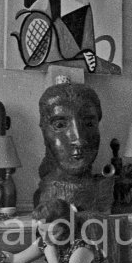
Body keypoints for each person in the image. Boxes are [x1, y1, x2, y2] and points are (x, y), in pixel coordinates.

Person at [33, 80, 114, 212]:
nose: (79, 139)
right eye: (60, 125)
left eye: (89, 124)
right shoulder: (46, 195)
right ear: (44, 131)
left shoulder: (105, 190)